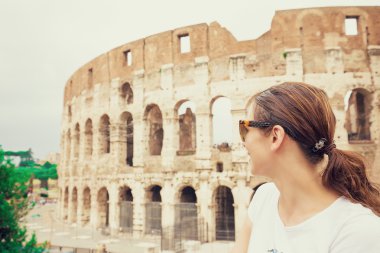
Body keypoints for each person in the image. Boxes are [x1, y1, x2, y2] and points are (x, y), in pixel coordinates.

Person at [231, 82, 380, 253]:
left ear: (275, 136)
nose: (243, 141)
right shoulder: (264, 197)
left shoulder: (358, 233)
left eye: (245, 129)